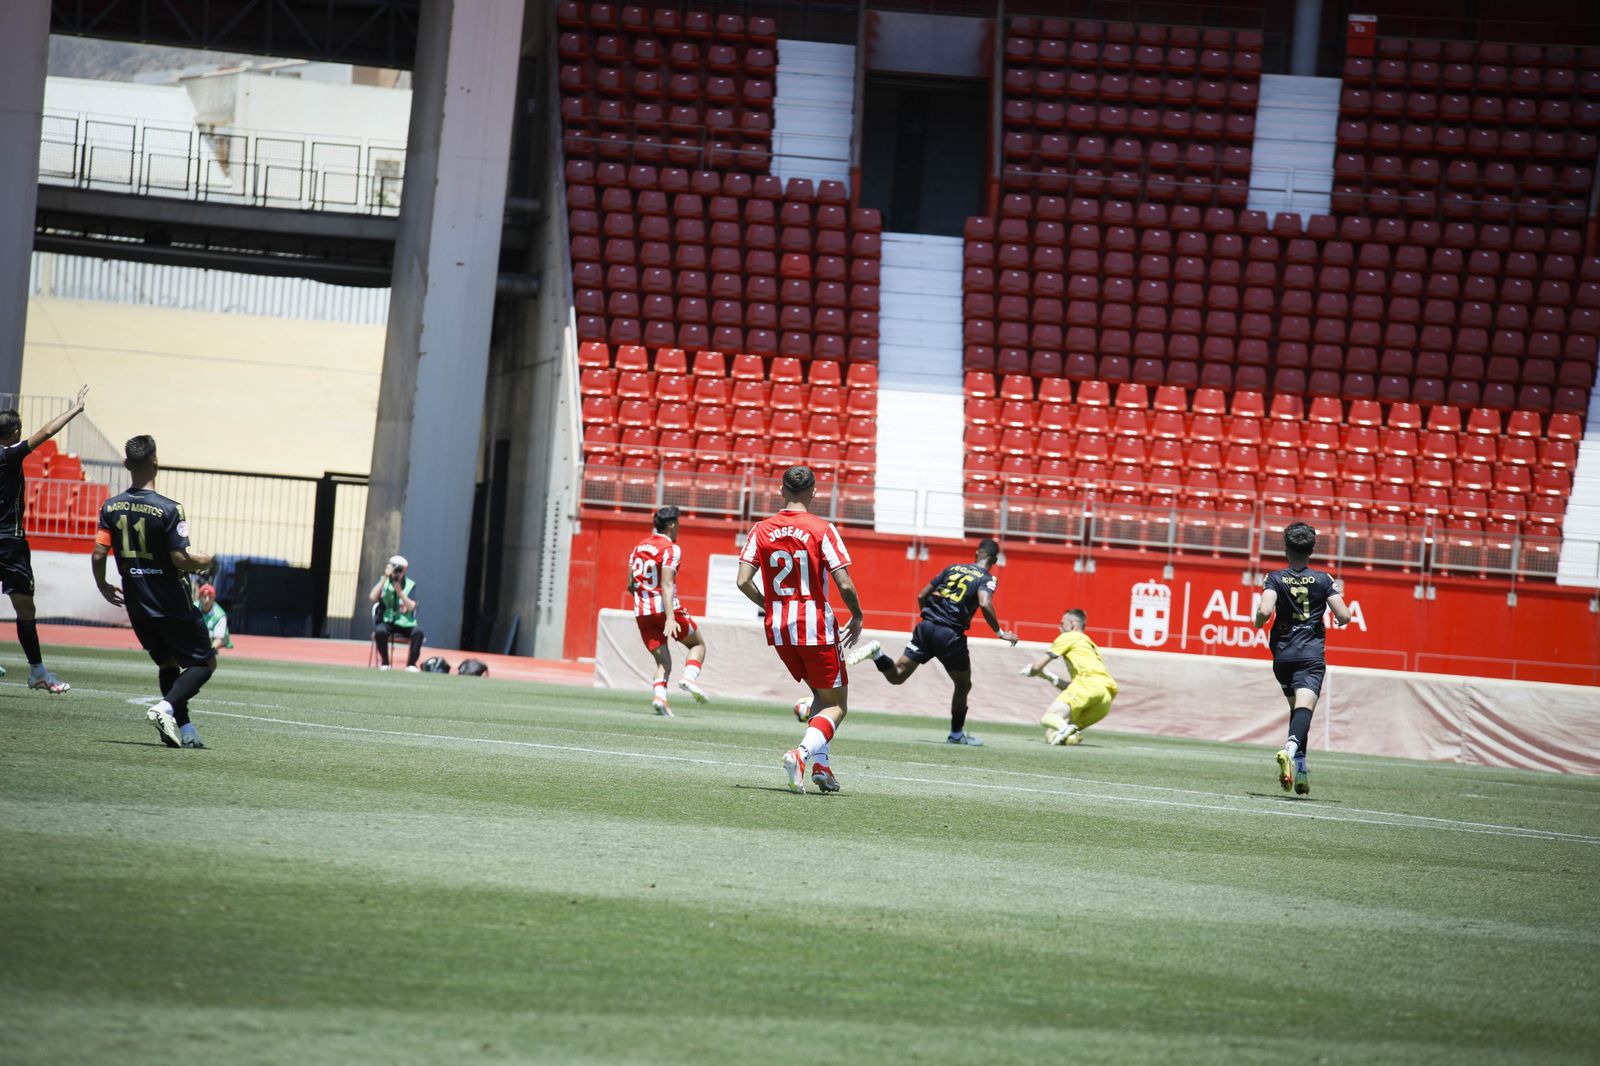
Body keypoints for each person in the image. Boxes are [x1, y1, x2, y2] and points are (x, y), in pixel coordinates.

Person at [736, 465, 865, 794]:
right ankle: (802, 753)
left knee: (821, 696)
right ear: (814, 492)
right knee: (838, 705)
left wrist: (770, 604)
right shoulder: (822, 529)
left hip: (780, 628)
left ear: (781, 491)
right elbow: (844, 582)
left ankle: (822, 766)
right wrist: (857, 614)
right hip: (816, 627)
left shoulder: (761, 529)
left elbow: (742, 581)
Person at [91, 434, 217, 749]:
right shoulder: (170, 509)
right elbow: (179, 558)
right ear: (156, 462)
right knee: (205, 662)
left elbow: (97, 553)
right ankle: (164, 708)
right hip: (170, 600)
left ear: (125, 464)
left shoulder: (110, 507)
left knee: (168, 663)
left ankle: (185, 731)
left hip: (136, 602)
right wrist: (204, 561)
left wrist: (102, 584)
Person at [847, 537, 1018, 746]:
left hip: (926, 627)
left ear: (977, 553)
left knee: (897, 676)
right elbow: (984, 601)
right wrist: (1000, 632)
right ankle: (956, 734)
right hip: (950, 635)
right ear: (995, 559)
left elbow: (922, 594)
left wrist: (931, 618)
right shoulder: (986, 578)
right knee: (963, 684)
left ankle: (877, 654)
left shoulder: (953, 568)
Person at [0, 384, 91, 693]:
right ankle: (37, 672)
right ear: (13, 434)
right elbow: (46, 432)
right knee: (26, 610)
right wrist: (75, 409)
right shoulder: (10, 455)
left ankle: (38, 671)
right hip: (10, 543)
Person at [1253, 522, 1353, 797]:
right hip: (1310, 656)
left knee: (1298, 712)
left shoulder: (1274, 578)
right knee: (1305, 712)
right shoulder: (1323, 580)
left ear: (1286, 549)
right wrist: (1337, 617)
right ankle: (1289, 749)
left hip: (1282, 657)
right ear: (1312, 550)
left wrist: (1259, 621)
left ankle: (1301, 769)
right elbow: (1344, 615)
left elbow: (1264, 609)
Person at [627, 505, 708, 716]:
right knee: (698, 644)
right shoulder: (671, 549)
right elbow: (667, 584)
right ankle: (689, 678)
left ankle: (660, 697)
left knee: (663, 662)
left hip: (642, 612)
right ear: (672, 525)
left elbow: (630, 585)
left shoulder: (638, 548)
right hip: (664, 609)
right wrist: (670, 618)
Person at [1022, 609, 1119, 747]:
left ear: (1072, 625)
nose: (1059, 627)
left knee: (1048, 718)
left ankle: (1065, 729)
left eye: (1062, 623)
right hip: (1105, 698)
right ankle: (1069, 735)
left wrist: (1032, 671)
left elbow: (1037, 667)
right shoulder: (1090, 644)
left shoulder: (1069, 636)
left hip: (1088, 686)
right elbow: (1078, 687)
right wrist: (1049, 676)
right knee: (1051, 732)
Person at [369, 555, 424, 671]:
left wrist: (400, 592)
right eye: (395, 569)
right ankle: (385, 663)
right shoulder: (384, 581)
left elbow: (412, 606)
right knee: (380, 631)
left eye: (400, 570)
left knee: (418, 632)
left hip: (405, 622)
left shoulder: (410, 584)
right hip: (387, 621)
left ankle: (411, 664)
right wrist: (385, 578)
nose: (397, 573)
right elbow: (372, 596)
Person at [195, 583, 232, 650]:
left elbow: (218, 640)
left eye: (210, 597)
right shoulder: (193, 608)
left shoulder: (220, 615)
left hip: (217, 642)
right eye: (204, 596)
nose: (207, 600)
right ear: (199, 597)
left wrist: (209, 653)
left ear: (214, 597)